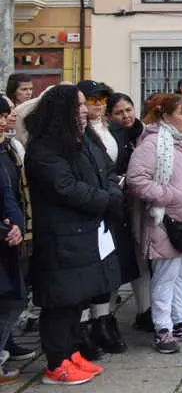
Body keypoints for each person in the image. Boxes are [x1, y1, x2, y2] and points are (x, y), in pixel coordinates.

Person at [24, 85, 119, 385]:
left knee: (78, 299)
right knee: (60, 302)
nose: (83, 108)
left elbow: (106, 172)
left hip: (85, 232)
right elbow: (66, 188)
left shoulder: (82, 138)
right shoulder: (44, 148)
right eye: (77, 104)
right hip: (61, 236)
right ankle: (56, 364)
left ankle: (71, 352)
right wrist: (106, 200)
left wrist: (112, 192)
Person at [127, 94, 182, 354]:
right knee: (165, 276)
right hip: (166, 221)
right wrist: (169, 197)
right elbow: (137, 179)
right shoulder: (154, 143)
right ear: (165, 116)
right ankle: (162, 328)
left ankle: (180, 322)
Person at [75, 80, 131, 356]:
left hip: (111, 203)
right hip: (90, 206)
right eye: (92, 100)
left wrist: (115, 184)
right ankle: (85, 327)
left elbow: (110, 166)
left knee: (109, 269)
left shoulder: (111, 129)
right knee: (88, 273)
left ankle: (104, 320)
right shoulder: (77, 132)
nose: (97, 105)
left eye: (101, 101)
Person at [106, 93, 154, 333]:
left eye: (128, 109)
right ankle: (106, 316)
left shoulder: (145, 132)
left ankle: (145, 310)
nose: (126, 116)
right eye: (118, 112)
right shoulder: (109, 137)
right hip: (119, 206)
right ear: (109, 116)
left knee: (141, 259)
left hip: (142, 205)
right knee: (116, 262)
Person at [0, 97, 28, 385]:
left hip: (7, 238)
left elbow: (10, 193)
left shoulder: (5, 150)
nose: (6, 119)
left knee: (13, 300)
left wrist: (17, 224)